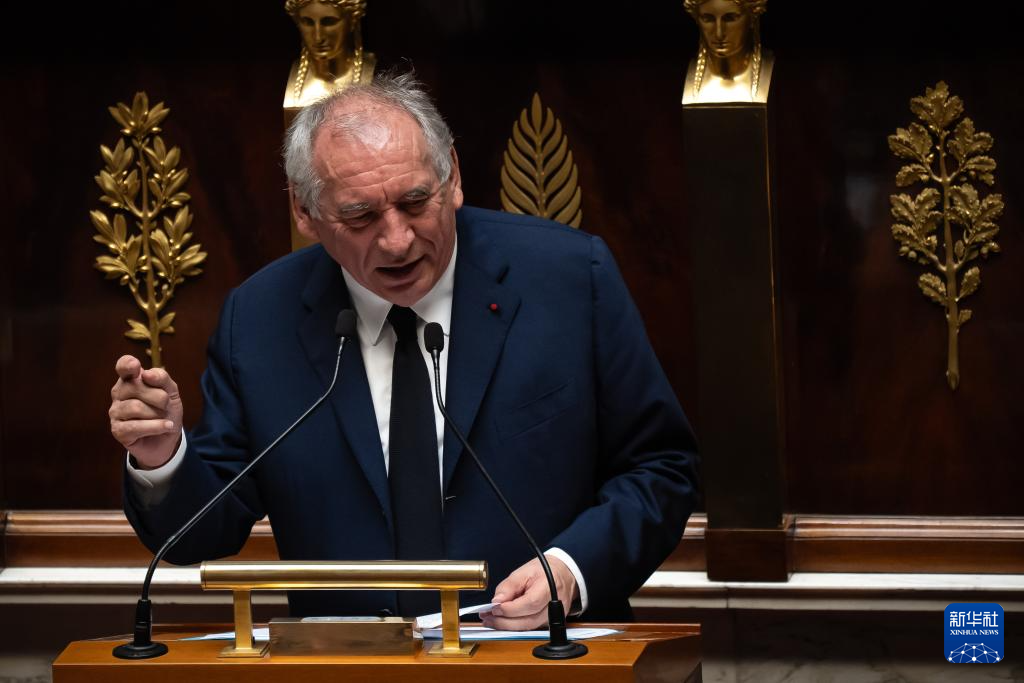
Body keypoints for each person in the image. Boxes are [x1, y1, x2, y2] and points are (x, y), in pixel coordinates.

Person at [109, 72, 699, 628]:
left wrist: (569, 570)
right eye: (360, 216)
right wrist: (163, 460)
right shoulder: (260, 321)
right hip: (351, 664)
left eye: (416, 202)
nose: (397, 240)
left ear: (453, 177)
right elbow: (201, 534)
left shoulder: (567, 280)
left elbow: (661, 469)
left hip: (545, 656)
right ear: (305, 213)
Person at [283, 0, 377, 109]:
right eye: (307, 22)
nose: (318, 37)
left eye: (329, 22)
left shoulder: (368, 69)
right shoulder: (296, 77)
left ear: (352, 21)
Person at [682, 0, 773, 104]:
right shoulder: (686, 72)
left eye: (730, 18)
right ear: (697, 19)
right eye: (708, 19)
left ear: (752, 18)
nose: (719, 34)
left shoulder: (771, 69)